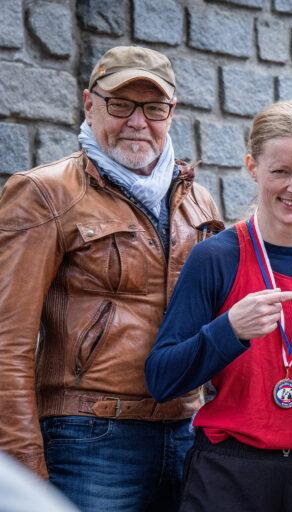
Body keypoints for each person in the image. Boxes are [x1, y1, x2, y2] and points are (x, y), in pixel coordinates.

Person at [0, 46, 221, 511]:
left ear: (172, 113)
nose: (137, 121)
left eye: (154, 107)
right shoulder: (44, 193)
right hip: (89, 439)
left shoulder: (198, 201)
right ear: (89, 103)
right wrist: (21, 462)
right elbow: (8, 341)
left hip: (186, 432)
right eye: (120, 104)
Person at [144, 101, 292, 512]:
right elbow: (161, 379)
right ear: (251, 166)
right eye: (280, 171)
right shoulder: (216, 258)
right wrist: (229, 329)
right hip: (228, 474)